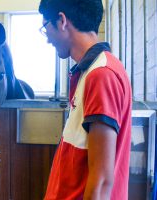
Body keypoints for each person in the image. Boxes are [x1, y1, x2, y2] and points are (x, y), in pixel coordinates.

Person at [38, 0, 132, 199]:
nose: (47, 40)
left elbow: (101, 181)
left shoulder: (101, 75)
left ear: (62, 21)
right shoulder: (89, 72)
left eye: (45, 27)